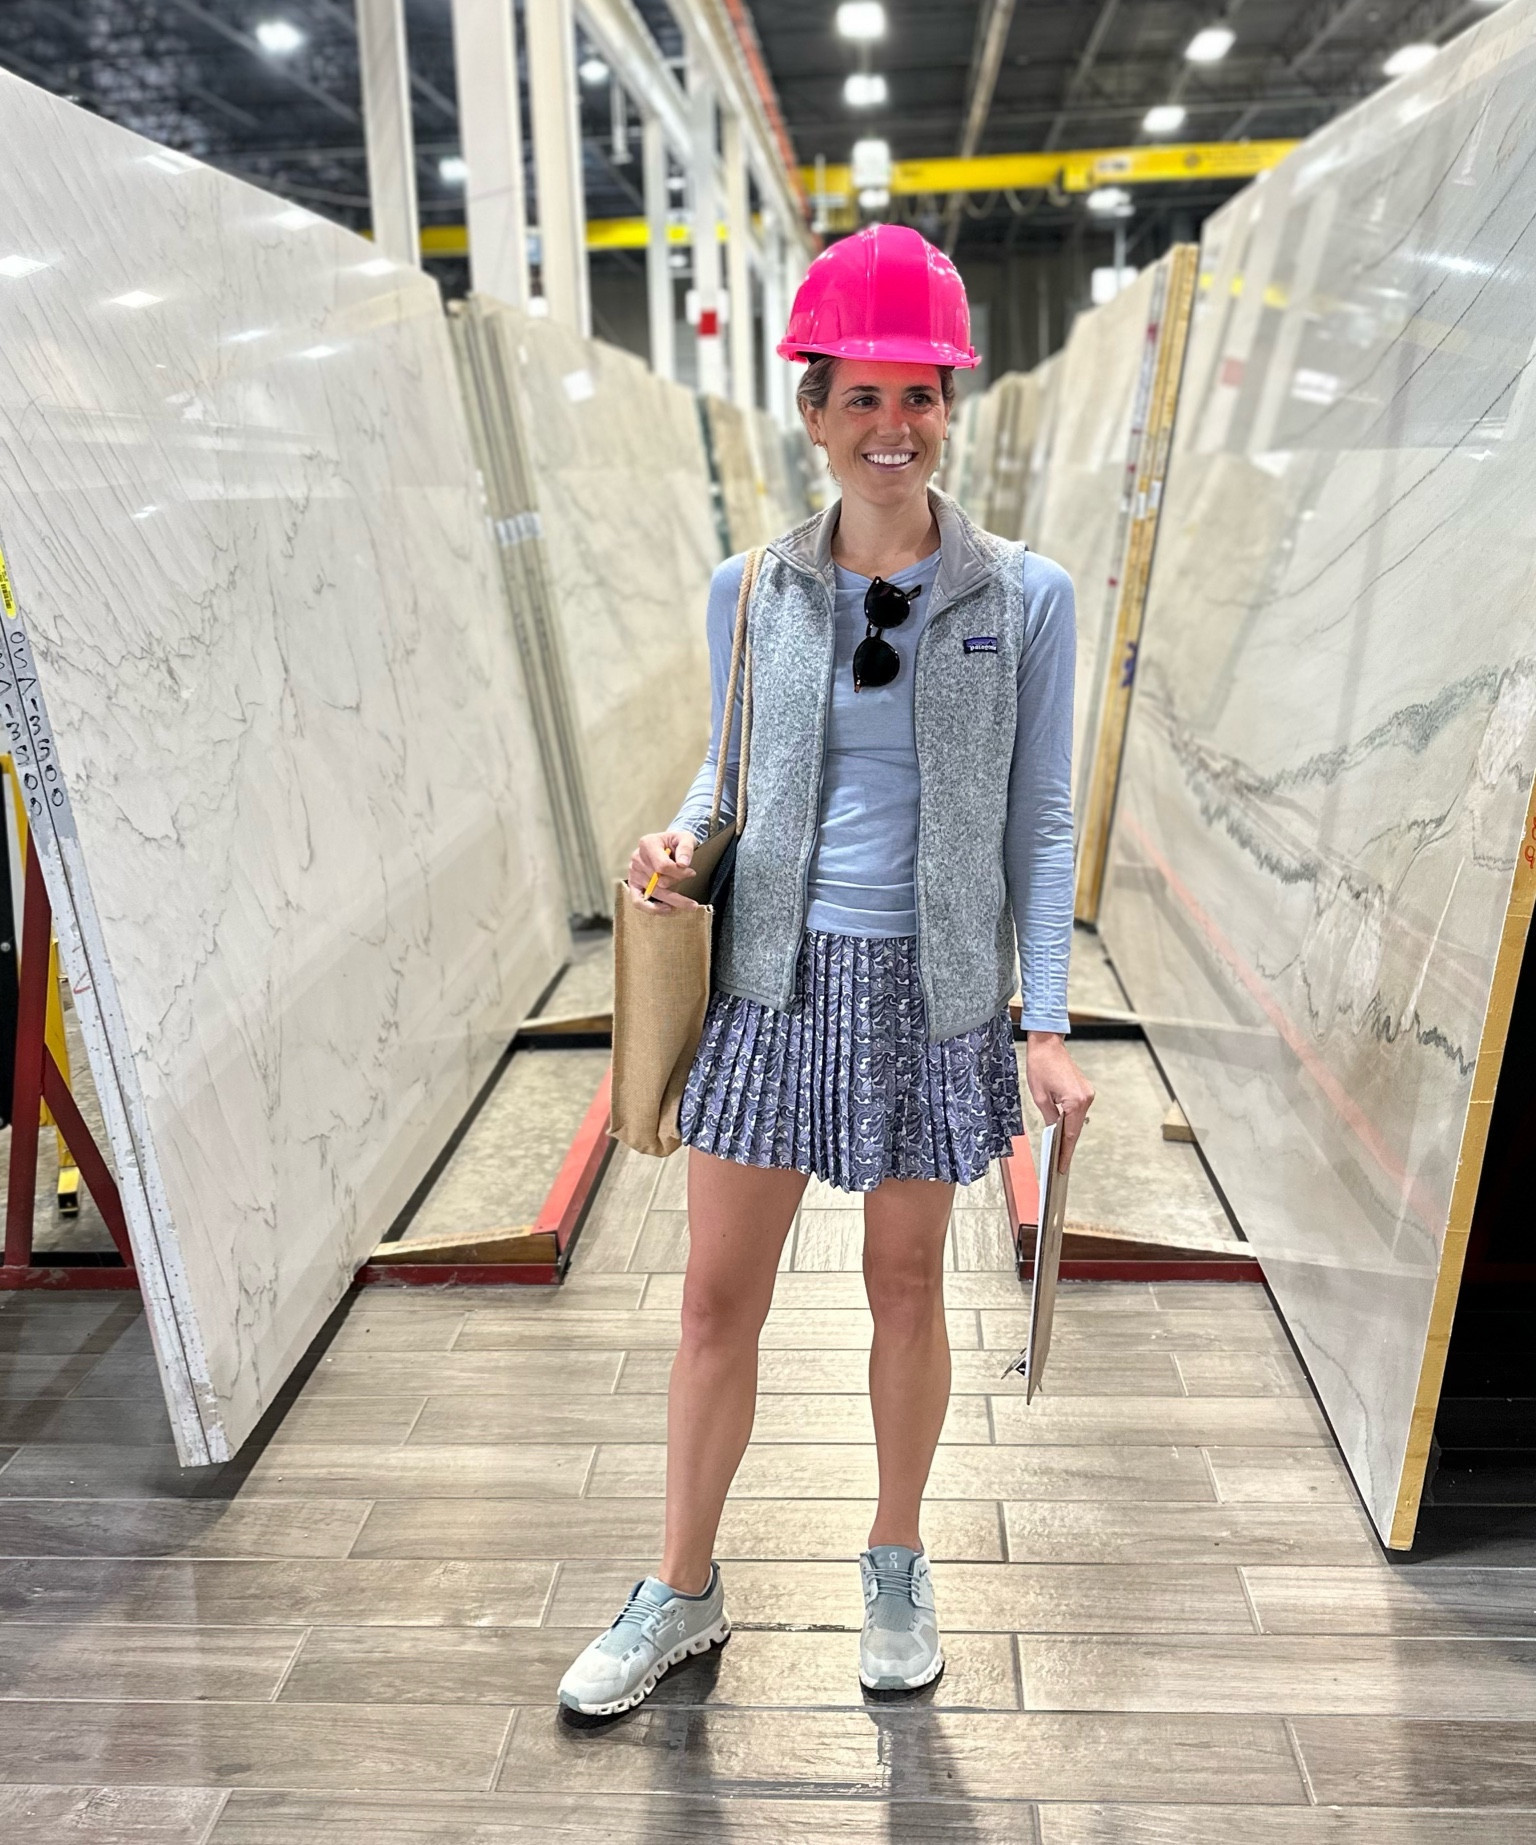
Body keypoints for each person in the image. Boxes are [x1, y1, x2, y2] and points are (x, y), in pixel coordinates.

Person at [558, 223, 1093, 1717]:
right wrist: (679, 836)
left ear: (949, 409)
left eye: (919, 395)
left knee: (906, 1284)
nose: (892, 429)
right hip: (771, 984)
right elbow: (730, 774)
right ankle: (682, 1586)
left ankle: (899, 1558)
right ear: (811, 413)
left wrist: (1041, 1019)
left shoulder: (1023, 598)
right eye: (861, 397)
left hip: (933, 995)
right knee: (716, 1302)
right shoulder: (754, 592)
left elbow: (1040, 822)